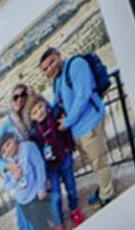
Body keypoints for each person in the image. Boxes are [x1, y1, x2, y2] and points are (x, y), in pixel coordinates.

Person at [41, 44, 115, 211]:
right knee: (93, 162)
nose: (50, 69)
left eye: (52, 62)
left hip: (89, 124)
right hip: (78, 130)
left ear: (59, 55)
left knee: (99, 162)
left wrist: (66, 123)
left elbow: (83, 95)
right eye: (45, 69)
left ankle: (107, 195)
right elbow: (58, 102)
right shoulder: (58, 81)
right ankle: (103, 187)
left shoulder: (76, 65)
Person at [19, 84, 81, 230]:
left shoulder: (54, 117)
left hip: (64, 158)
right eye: (34, 112)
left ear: (44, 105)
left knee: (71, 187)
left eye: (40, 107)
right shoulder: (33, 135)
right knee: (56, 197)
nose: (39, 112)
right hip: (50, 169)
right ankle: (59, 222)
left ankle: (74, 210)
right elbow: (35, 156)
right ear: (31, 117)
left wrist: (70, 147)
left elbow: (65, 134)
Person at [0, 119, 55, 230]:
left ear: (13, 139)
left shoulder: (28, 147)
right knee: (33, 221)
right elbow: (6, 185)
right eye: (4, 151)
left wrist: (41, 188)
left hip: (34, 193)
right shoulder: (8, 165)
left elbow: (39, 166)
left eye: (8, 145)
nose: (8, 150)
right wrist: (15, 178)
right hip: (22, 199)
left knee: (40, 221)